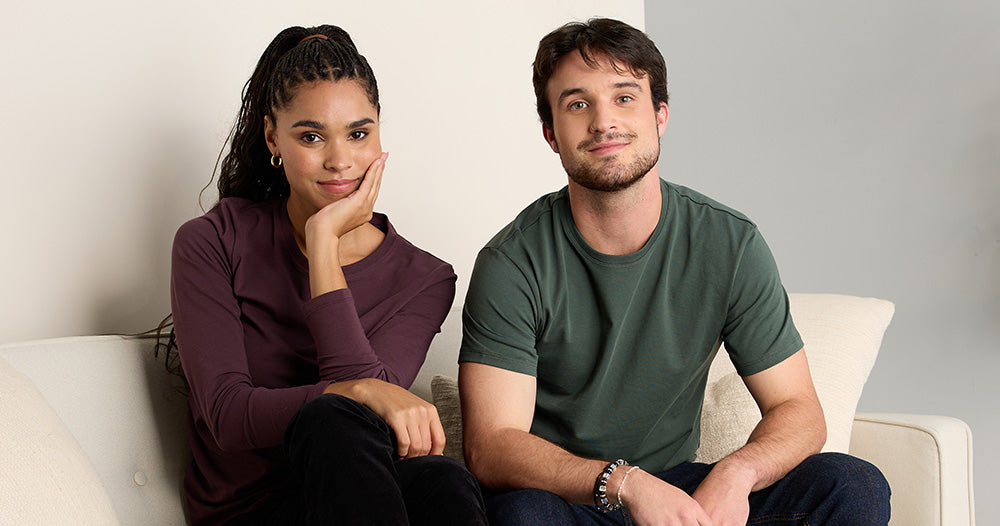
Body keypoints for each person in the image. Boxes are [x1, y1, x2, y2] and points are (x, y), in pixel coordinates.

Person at [458, 18, 890, 526]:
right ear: (551, 134)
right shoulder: (512, 262)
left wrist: (736, 474)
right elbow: (492, 445)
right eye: (577, 104)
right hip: (571, 498)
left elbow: (798, 408)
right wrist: (625, 483)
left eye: (624, 97)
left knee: (852, 483)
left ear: (660, 115)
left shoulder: (729, 243)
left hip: (682, 488)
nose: (603, 122)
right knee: (523, 515)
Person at [165, 24, 486, 526]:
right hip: (251, 514)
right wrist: (354, 388)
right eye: (311, 137)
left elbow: (370, 423)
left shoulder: (425, 278)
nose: (340, 161)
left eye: (358, 134)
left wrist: (322, 244)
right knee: (331, 417)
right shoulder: (212, 242)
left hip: (364, 499)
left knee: (443, 480)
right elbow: (227, 417)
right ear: (272, 137)